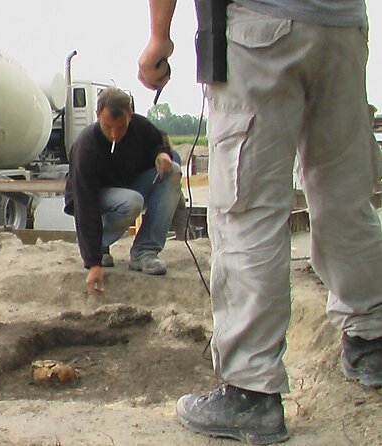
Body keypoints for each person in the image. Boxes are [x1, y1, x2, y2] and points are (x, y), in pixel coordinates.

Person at [138, 1, 382, 444]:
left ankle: (251, 392)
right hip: (343, 26)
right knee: (346, 196)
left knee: (247, 210)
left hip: (261, 28)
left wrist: (159, 35)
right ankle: (372, 341)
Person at [63, 86, 182, 296]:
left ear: (130, 115)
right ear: (98, 115)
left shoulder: (140, 126)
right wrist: (93, 263)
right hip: (93, 195)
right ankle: (98, 246)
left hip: (127, 185)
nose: (115, 134)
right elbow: (85, 205)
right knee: (132, 201)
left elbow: (157, 143)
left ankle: (144, 251)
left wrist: (162, 155)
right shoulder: (86, 148)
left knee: (173, 169)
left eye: (121, 127)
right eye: (108, 127)